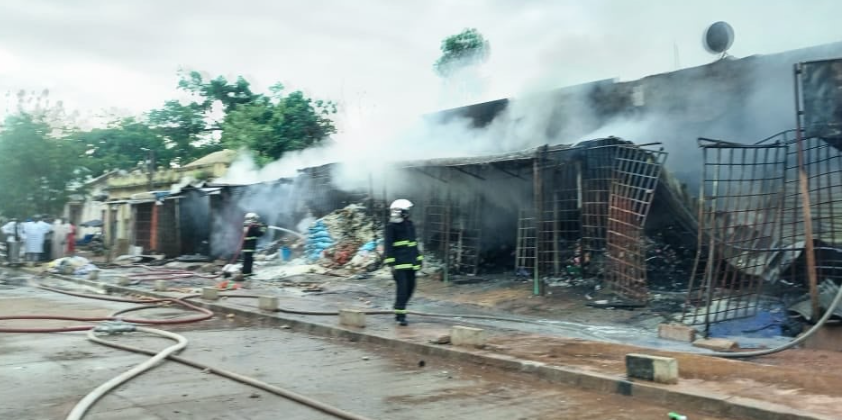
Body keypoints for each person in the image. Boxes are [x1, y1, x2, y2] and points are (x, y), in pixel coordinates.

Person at [383, 199, 422, 326]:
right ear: (400, 212)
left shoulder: (410, 224)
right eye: (406, 211)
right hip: (399, 264)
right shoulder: (391, 227)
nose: (408, 213)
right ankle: (400, 315)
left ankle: (399, 306)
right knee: (403, 289)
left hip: (411, 262)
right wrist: (391, 264)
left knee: (411, 287)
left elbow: (414, 244)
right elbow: (388, 245)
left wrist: (419, 259)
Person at [241, 212, 266, 279]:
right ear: (252, 218)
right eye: (255, 219)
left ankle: (248, 272)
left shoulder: (246, 225)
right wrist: (264, 228)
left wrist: (258, 225)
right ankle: (245, 273)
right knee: (248, 260)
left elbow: (253, 230)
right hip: (250, 246)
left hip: (247, 246)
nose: (256, 220)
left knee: (249, 259)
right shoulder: (251, 226)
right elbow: (259, 234)